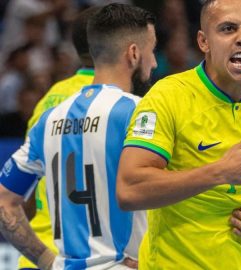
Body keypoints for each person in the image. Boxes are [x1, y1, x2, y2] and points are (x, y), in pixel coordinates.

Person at [117, 0, 241, 269]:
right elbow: (129, 190)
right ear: (204, 42)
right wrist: (220, 173)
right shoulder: (168, 97)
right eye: (228, 29)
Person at [0, 3, 157, 269]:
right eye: (151, 52)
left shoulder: (49, 116)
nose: (153, 62)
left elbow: (4, 199)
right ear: (133, 54)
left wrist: (47, 260)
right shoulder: (140, 112)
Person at [15, 6, 99, 270]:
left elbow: (26, 185)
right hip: (93, 257)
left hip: (41, 251)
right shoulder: (122, 102)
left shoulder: (48, 99)